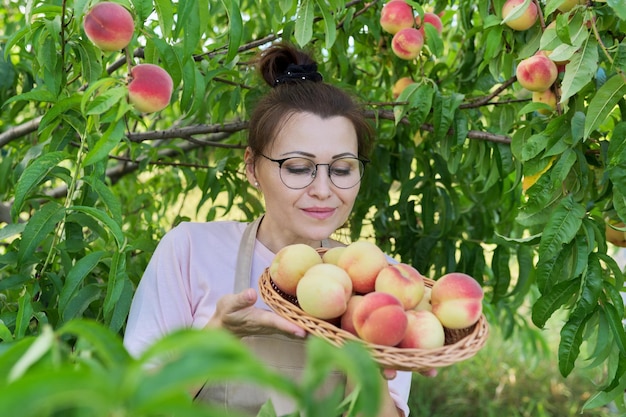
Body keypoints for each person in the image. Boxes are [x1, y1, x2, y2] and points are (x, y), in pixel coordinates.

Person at [123, 42, 412, 417]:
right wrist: (218, 335)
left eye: (341, 169)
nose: (323, 190)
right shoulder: (191, 251)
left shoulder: (381, 283)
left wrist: (366, 354)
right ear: (251, 168)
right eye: (296, 167)